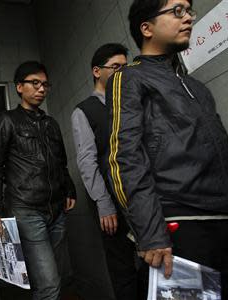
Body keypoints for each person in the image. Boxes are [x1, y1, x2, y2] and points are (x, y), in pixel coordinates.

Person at [106, 0, 228, 298]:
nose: (188, 19)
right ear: (146, 28)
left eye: (189, 11)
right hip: (181, 223)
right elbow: (124, 158)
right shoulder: (129, 77)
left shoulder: (196, 87)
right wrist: (150, 231)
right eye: (177, 11)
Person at [0, 61, 76, 300]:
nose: (41, 89)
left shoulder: (51, 123)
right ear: (19, 87)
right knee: (49, 285)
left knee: (57, 277)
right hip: (26, 209)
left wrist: (70, 190)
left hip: (56, 209)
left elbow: (61, 162)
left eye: (45, 84)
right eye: (34, 83)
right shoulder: (7, 119)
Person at [71, 43, 141, 300]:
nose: (123, 72)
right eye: (116, 67)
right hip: (112, 200)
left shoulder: (132, 102)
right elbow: (87, 161)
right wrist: (104, 203)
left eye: (126, 67)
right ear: (97, 71)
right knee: (122, 265)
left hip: (142, 195)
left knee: (152, 261)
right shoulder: (84, 111)